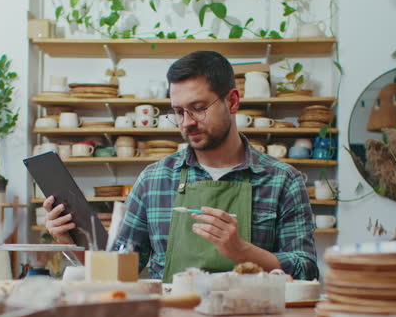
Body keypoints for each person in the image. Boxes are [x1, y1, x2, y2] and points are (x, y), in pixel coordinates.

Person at [44, 50, 318, 282]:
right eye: (178, 111)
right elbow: (119, 271)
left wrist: (243, 251)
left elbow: (307, 270)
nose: (186, 122)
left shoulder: (283, 180)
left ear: (232, 101)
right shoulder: (154, 180)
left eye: (198, 108)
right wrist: (69, 240)